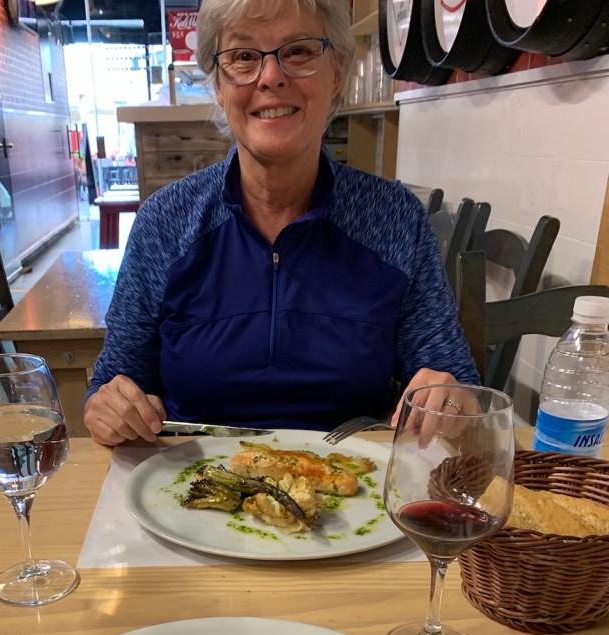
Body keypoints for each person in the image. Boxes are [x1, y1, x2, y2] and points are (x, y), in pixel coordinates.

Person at [84, 0, 480, 446]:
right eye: (243, 56)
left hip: (352, 478)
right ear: (218, 84)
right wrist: (108, 406)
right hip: (189, 478)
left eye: (298, 51)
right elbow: (113, 385)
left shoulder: (395, 219)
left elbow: (458, 388)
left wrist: (452, 398)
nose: (270, 77)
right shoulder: (164, 221)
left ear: (336, 73)